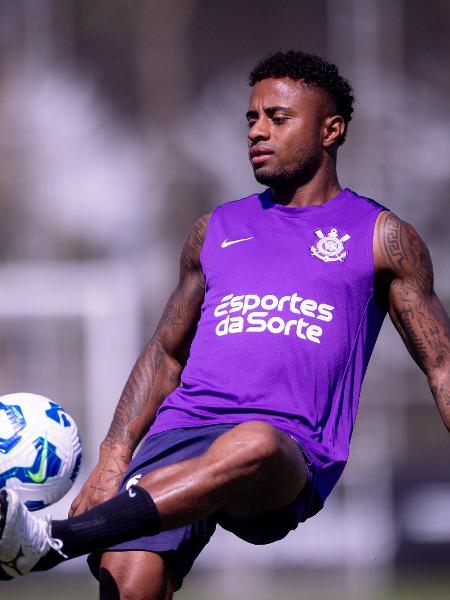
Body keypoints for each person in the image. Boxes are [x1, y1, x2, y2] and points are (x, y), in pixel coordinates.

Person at [1, 50, 449, 599]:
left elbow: (442, 365)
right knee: (130, 582)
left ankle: (53, 543)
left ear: (331, 130)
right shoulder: (214, 229)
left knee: (253, 442)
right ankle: (66, 542)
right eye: (251, 119)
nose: (258, 131)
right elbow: (166, 353)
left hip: (285, 452)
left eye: (277, 118)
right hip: (183, 431)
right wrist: (114, 457)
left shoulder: (382, 237)